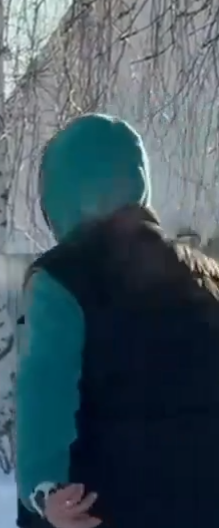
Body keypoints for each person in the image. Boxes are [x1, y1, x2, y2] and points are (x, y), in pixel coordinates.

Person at [17, 113, 219, 528]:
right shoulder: (207, 274)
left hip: (102, 507)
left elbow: (45, 390)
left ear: (62, 192)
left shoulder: (62, 279)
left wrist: (43, 486)